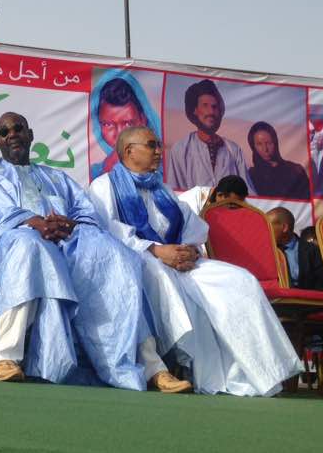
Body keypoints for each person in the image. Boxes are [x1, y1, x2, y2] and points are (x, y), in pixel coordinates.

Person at [0, 112, 189, 391]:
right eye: (4, 132)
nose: (12, 134)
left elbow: (86, 213)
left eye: (18, 128)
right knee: (29, 244)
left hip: (66, 244)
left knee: (116, 255)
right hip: (10, 245)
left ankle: (151, 366)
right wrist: (30, 221)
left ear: (30, 135)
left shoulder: (55, 177)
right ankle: (3, 358)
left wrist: (69, 225)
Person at [89, 126, 302, 395]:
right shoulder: (104, 186)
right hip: (138, 259)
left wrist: (190, 250)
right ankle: (169, 368)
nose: (159, 151)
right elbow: (106, 232)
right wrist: (156, 250)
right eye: (152, 145)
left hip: (180, 261)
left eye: (159, 145)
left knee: (240, 280)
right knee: (159, 275)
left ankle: (261, 372)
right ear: (129, 151)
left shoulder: (162, 189)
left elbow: (193, 228)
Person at [165, 80, 251, 192]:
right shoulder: (181, 149)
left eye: (215, 107)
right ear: (195, 110)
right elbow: (175, 192)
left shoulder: (233, 150)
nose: (211, 111)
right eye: (205, 105)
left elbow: (248, 192)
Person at [89, 71, 159, 180]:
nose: (119, 134)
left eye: (128, 123)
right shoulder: (91, 175)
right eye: (108, 124)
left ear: (143, 120)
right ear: (98, 125)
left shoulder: (163, 171)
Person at [266, 207, 323, 291]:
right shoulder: (267, 251)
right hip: (277, 297)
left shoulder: (313, 251)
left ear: (284, 228)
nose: (265, 230)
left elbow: (320, 282)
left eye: (269, 226)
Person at [245, 122, 310, 199]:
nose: (265, 149)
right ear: (253, 146)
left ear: (275, 142)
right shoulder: (251, 176)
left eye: (269, 143)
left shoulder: (295, 170)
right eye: (259, 144)